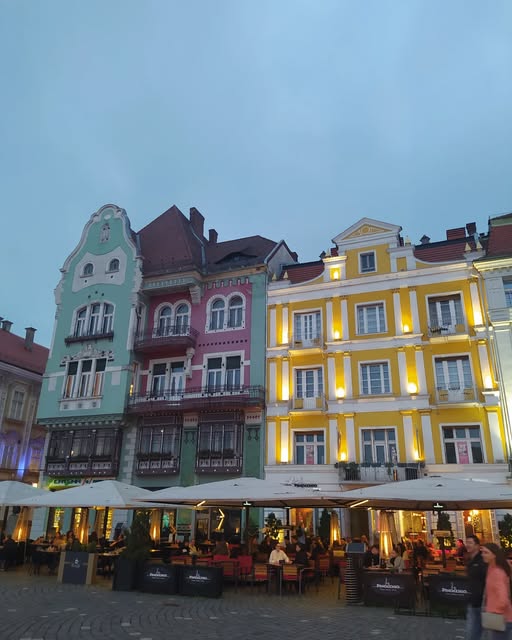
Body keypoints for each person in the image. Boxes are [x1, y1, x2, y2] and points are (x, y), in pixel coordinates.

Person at [481, 542, 512, 639]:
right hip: (498, 617)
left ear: (494, 555)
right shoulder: (492, 568)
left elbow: (503, 598)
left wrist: (495, 612)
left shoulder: (497, 572)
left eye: (486, 552)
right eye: (482, 552)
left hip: (500, 618)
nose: (482, 555)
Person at [465, 535, 487, 640]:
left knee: (474, 632)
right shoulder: (470, 560)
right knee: (474, 631)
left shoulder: (483, 560)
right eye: (467, 542)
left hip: (481, 602)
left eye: (470, 543)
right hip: (473, 600)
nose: (467, 545)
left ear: (477, 546)